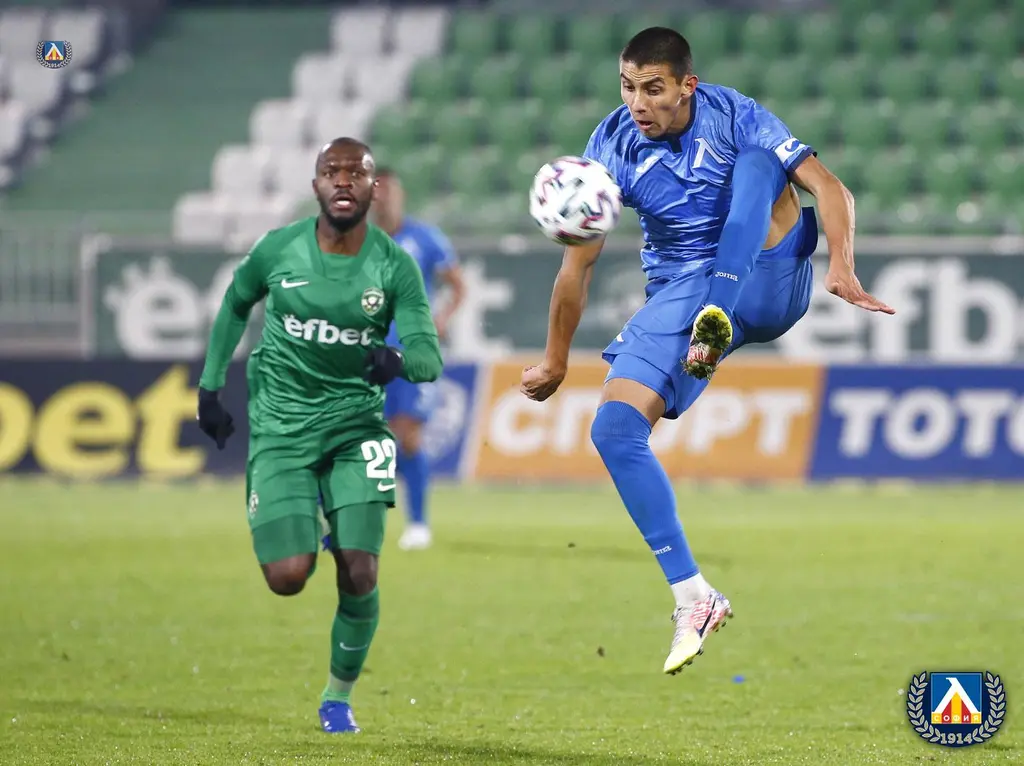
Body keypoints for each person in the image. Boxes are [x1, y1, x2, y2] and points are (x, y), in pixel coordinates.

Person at [520, 27, 894, 675]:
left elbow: (830, 188)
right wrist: (555, 359)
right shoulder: (611, 145)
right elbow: (576, 268)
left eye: (653, 89)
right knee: (614, 430)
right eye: (628, 87)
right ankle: (693, 595)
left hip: (769, 278)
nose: (638, 103)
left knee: (760, 162)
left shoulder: (734, 114)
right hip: (681, 293)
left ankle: (717, 311)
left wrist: (842, 264)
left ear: (686, 85)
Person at [195, 137, 442, 733]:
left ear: (372, 188)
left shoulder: (395, 265)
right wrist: (209, 388)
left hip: (356, 429)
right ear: (315, 187)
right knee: (287, 577)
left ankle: (337, 698)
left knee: (360, 571)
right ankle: (316, 530)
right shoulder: (278, 249)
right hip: (281, 429)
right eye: (331, 172)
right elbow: (234, 304)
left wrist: (396, 360)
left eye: (356, 173)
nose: (343, 181)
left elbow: (428, 357)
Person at [371, 167, 465, 551]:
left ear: (401, 196)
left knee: (408, 434)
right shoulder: (359, 242)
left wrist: (441, 319)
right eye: (378, 193)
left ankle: (418, 524)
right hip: (367, 351)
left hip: (413, 351)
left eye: (390, 192)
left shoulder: (424, 238)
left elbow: (457, 285)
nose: (384, 199)